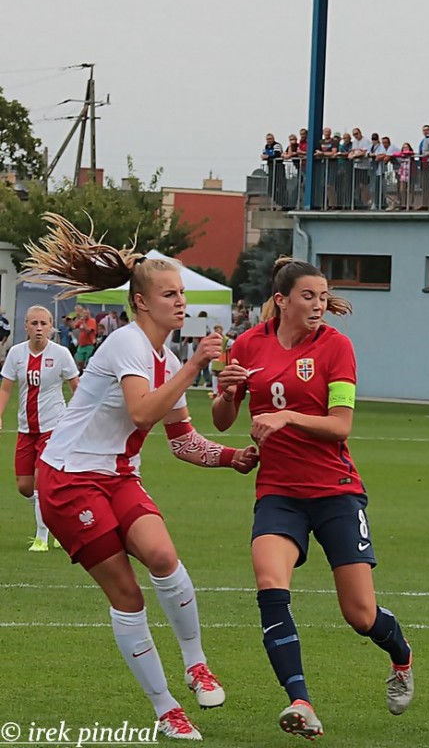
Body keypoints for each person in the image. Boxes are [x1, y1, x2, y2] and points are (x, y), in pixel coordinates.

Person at [21, 214, 259, 740]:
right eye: (170, 293)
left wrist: (231, 457)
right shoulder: (129, 344)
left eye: (182, 292)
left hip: (116, 476)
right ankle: (166, 707)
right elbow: (145, 411)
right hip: (67, 483)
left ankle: (196, 665)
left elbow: (184, 442)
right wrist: (196, 366)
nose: (180, 300)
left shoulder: (165, 355)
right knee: (128, 596)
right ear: (142, 303)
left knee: (164, 557)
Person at [211, 258, 413, 740]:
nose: (319, 305)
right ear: (282, 301)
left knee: (360, 615)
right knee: (269, 582)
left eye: (323, 296)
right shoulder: (247, 344)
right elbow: (222, 420)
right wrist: (225, 392)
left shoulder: (336, 348)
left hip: (335, 491)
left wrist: (288, 418)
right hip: (278, 491)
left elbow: (340, 426)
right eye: (309, 296)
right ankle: (300, 701)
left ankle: (401, 656)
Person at [0, 305, 80, 551]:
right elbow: (5, 388)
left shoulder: (61, 354)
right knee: (25, 487)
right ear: (25, 326)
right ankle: (62, 517)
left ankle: (41, 538)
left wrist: (81, 420)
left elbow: (77, 388)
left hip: (54, 427)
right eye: (33, 323)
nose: (38, 328)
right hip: (26, 429)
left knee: (39, 483)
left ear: (51, 327)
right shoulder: (16, 353)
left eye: (43, 324)